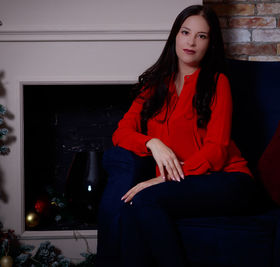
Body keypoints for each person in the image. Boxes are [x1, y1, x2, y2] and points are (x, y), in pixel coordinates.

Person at [97, 5, 263, 267]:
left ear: (210, 44)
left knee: (145, 199)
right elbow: (121, 133)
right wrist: (153, 143)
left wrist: (163, 179)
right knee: (129, 207)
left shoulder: (218, 83)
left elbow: (217, 150)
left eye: (202, 36)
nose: (191, 42)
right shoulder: (154, 85)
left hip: (229, 180)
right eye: (186, 32)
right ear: (175, 35)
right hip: (183, 183)